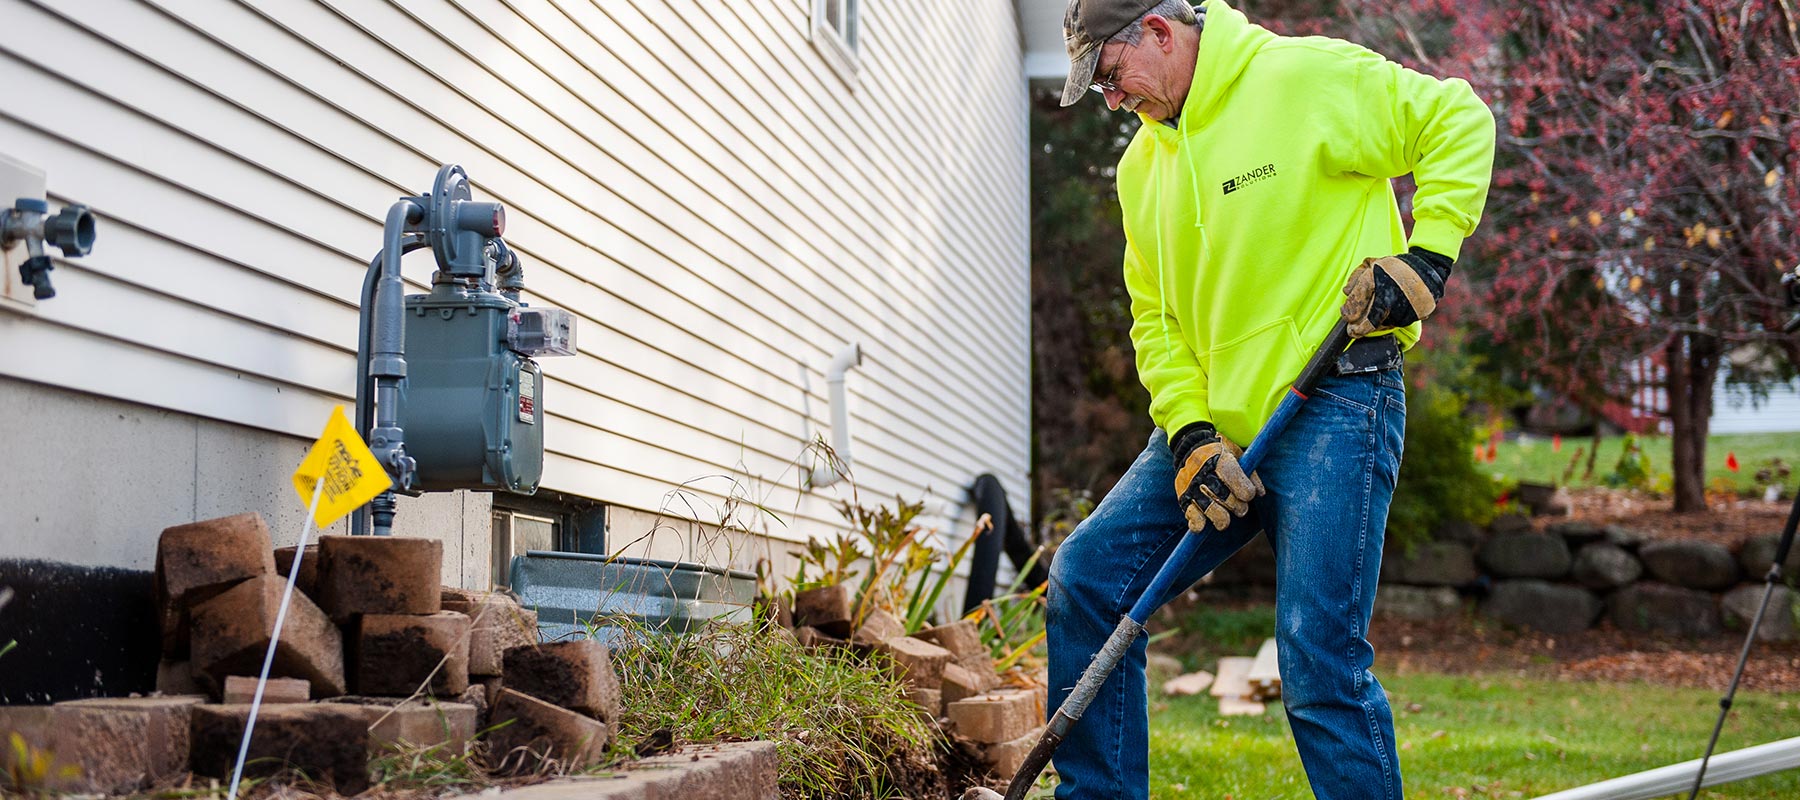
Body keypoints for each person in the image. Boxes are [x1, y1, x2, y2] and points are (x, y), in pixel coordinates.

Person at [1045, 1, 1495, 798]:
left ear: (1157, 30)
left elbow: (1457, 118)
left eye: (1112, 77)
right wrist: (1187, 436)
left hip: (1336, 401)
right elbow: (1155, 321)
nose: (1114, 101)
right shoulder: (1139, 170)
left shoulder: (1302, 77)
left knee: (1317, 656)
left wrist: (1428, 256)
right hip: (1220, 427)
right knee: (1087, 577)